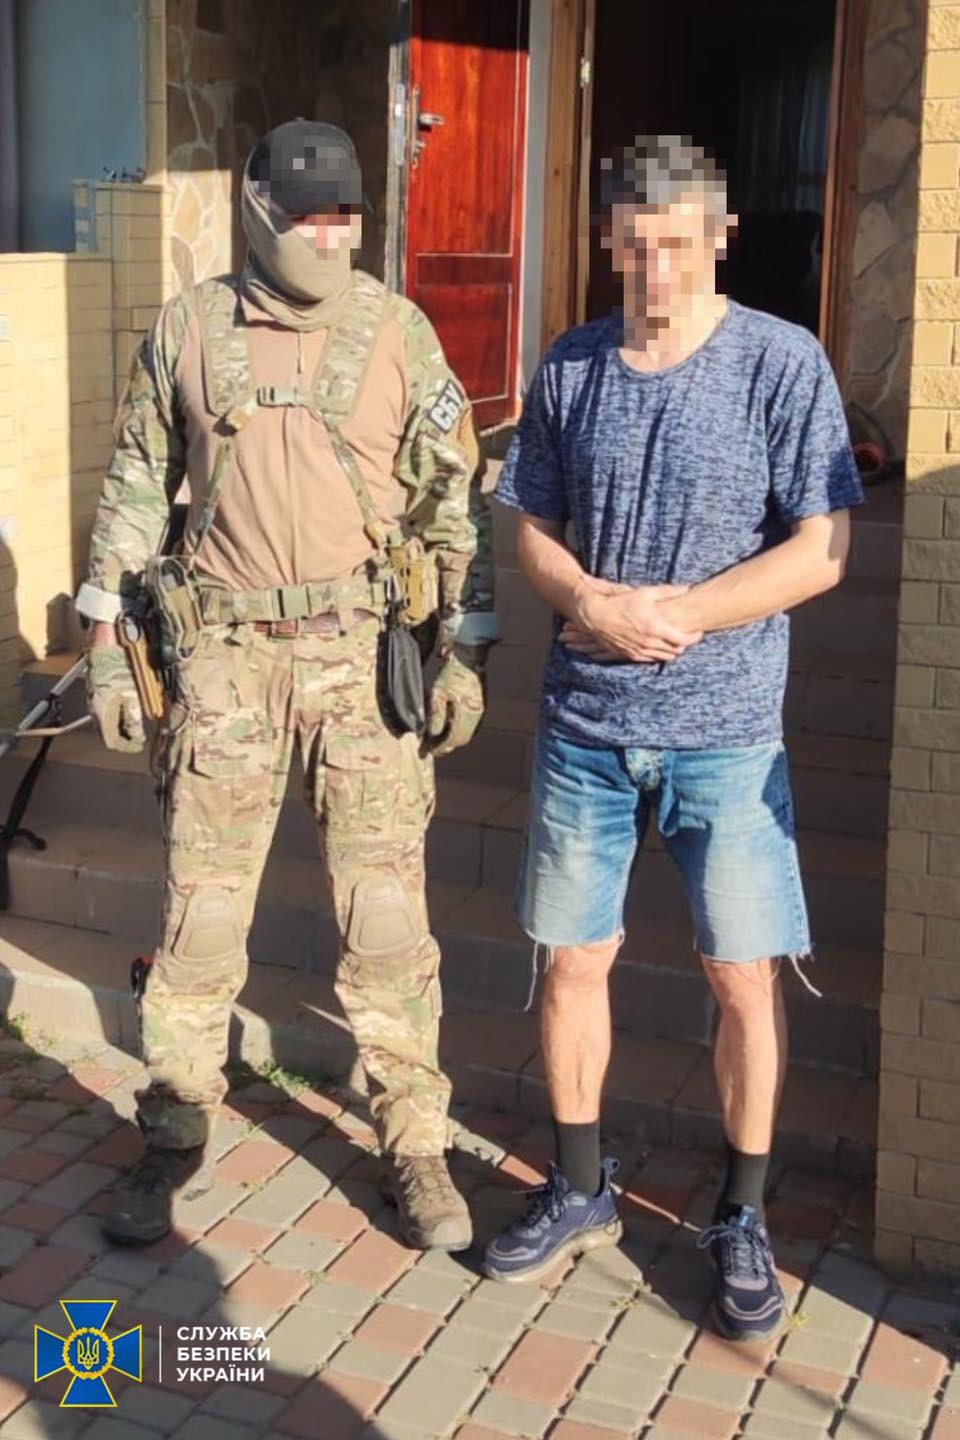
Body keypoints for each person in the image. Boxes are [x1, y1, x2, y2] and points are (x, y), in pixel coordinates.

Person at [77, 120, 497, 1252]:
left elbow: (452, 503)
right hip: (224, 665)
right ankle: (173, 1127)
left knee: (387, 921)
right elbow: (135, 483)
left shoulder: (397, 333)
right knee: (201, 918)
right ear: (259, 212)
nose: (328, 233)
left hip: (362, 662)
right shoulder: (188, 328)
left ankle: (414, 1142)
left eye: (344, 215)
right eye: (308, 214)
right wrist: (107, 643)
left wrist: (465, 652)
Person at [485, 136, 862, 1341]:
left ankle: (742, 1217)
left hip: (728, 736)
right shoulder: (571, 363)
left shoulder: (780, 361)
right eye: (635, 248)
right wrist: (589, 601)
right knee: (572, 960)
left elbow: (823, 548)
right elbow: (533, 527)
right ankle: (579, 1185)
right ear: (610, 240)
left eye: (679, 248)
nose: (656, 272)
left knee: (742, 974)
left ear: (720, 237)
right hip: (585, 727)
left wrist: (685, 614)